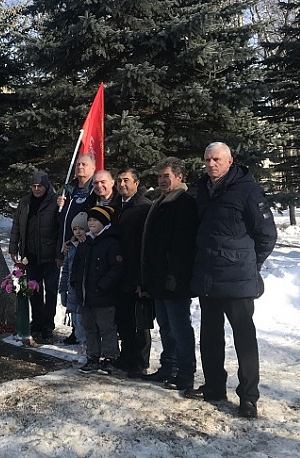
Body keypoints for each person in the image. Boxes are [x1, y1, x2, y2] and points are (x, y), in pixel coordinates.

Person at [186, 142, 277, 419]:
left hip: (237, 278)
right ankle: (214, 386)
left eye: (216, 159)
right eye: (207, 159)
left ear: (230, 161)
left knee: (244, 338)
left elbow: (267, 235)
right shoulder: (202, 189)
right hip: (208, 276)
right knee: (210, 335)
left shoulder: (247, 190)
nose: (211, 164)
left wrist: (251, 264)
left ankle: (248, 397)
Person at [140, 157, 199, 391]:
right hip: (158, 278)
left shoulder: (184, 203)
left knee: (179, 327)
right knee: (165, 325)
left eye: (167, 176)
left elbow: (184, 246)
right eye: (160, 176)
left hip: (175, 280)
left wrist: (175, 276)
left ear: (179, 177)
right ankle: (169, 366)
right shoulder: (161, 201)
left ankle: (185, 372)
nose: (163, 180)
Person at [9, 171, 60, 344]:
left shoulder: (55, 202)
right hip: (30, 253)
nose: (37, 189)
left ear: (47, 186)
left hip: (50, 255)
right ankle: (37, 322)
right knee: (34, 289)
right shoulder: (25, 202)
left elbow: (60, 229)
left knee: (51, 290)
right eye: (34, 186)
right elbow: (16, 225)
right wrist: (13, 246)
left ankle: (48, 324)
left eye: (40, 186)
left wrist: (59, 254)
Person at [72, 206, 124, 374]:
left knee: (106, 327)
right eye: (90, 220)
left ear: (103, 222)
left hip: (103, 296)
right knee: (89, 327)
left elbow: (116, 268)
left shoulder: (111, 243)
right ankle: (93, 356)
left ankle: (110, 357)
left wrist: (103, 285)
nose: (91, 223)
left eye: (95, 220)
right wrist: (75, 282)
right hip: (85, 294)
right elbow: (77, 265)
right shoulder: (85, 243)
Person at [113, 168, 153, 377]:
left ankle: (140, 361)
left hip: (136, 271)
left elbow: (146, 245)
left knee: (140, 321)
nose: (122, 184)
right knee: (124, 318)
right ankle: (126, 356)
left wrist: (142, 279)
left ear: (137, 183)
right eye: (119, 181)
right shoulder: (117, 206)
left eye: (126, 180)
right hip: (119, 272)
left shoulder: (143, 207)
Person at [58, 212, 90, 350]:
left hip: (83, 289)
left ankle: (86, 344)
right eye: (75, 229)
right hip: (71, 290)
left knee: (84, 320)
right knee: (76, 319)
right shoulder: (70, 247)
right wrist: (62, 288)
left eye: (81, 229)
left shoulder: (89, 246)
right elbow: (65, 270)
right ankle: (79, 340)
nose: (78, 232)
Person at [57, 153, 98, 257]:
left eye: (84, 164)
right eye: (78, 164)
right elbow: (61, 222)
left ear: (93, 168)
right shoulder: (68, 190)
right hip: (64, 247)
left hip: (83, 248)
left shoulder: (96, 191)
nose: (80, 167)